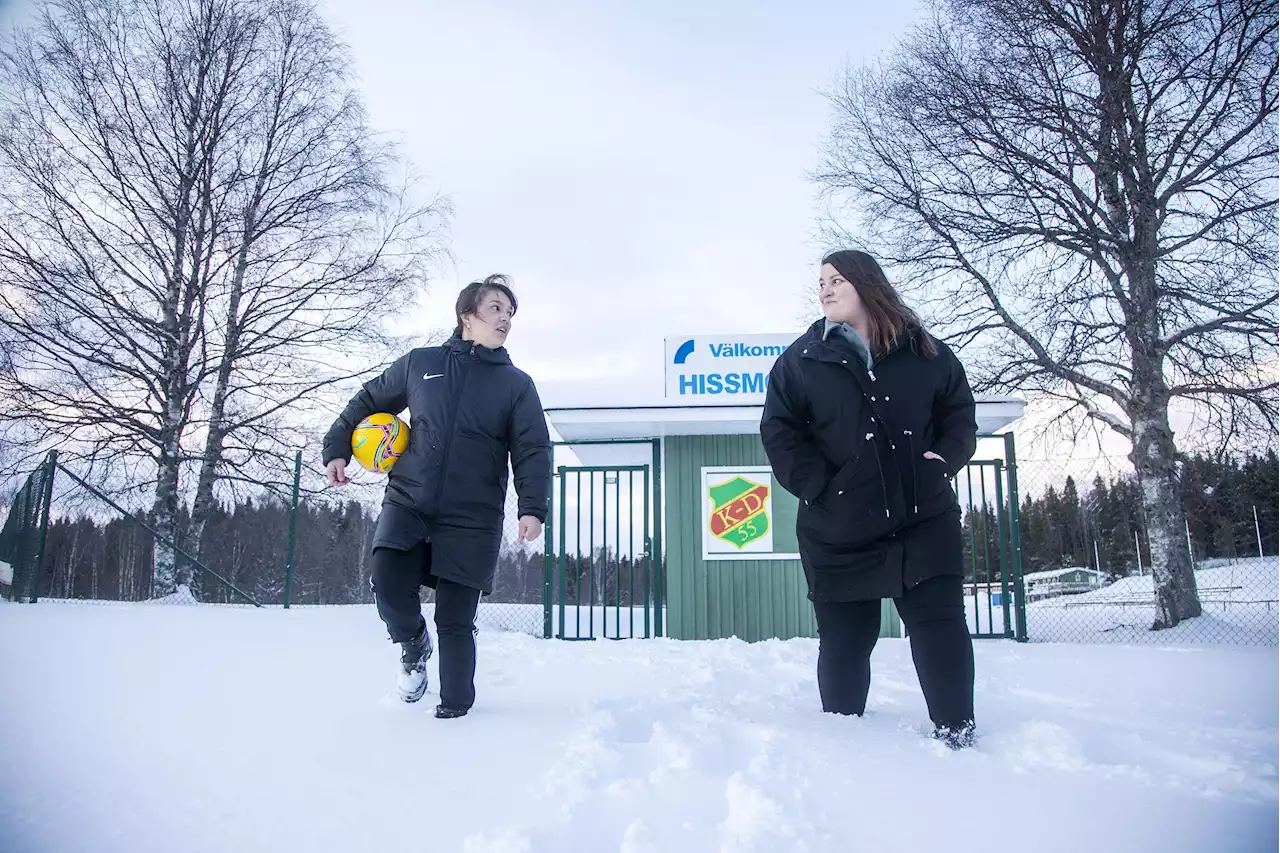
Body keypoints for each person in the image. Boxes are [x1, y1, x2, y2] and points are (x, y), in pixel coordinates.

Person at [759, 249, 980, 748]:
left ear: (866, 282)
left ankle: (958, 735)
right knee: (846, 637)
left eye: (836, 280)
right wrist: (821, 488)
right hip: (838, 524)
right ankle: (844, 741)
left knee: (939, 624)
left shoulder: (926, 352)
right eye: (820, 283)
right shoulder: (802, 360)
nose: (825, 290)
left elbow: (959, 415)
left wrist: (943, 461)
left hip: (923, 516)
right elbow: (779, 431)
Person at [322, 275, 551, 719]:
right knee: (387, 583)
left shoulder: (516, 385)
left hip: (473, 517)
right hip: (409, 500)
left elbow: (532, 449)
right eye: (496, 308)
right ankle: (412, 645)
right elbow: (368, 399)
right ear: (468, 315)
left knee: (455, 619)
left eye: (509, 313)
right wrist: (338, 447)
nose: (505, 319)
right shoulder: (420, 364)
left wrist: (532, 508)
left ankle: (457, 710)